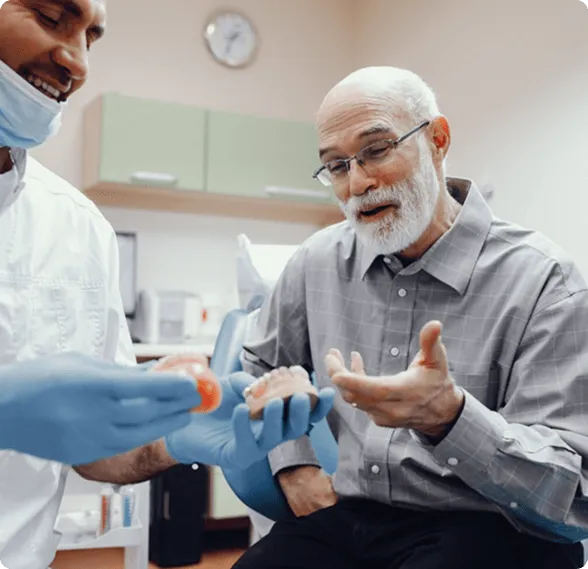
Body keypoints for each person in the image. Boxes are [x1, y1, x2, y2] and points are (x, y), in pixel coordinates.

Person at [0, 2, 333, 568]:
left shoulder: (77, 228)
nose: (76, 61)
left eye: (92, 37)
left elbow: (96, 452)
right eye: (52, 16)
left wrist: (171, 438)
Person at [235, 66, 588, 569]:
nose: (358, 182)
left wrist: (451, 418)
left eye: (376, 150)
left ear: (438, 140)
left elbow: (572, 496)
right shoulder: (317, 262)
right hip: (352, 516)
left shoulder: (545, 283)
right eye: (336, 166)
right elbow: (256, 368)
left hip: (492, 524)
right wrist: (293, 465)